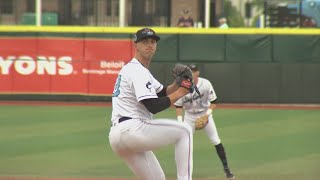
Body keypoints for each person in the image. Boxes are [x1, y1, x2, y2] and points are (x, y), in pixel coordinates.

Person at [109, 27, 194, 180]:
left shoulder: (138, 70)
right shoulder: (137, 71)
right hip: (132, 129)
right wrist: (181, 92)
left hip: (118, 136)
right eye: (145, 41)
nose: (150, 45)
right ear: (136, 45)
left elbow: (161, 92)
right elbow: (153, 106)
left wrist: (177, 84)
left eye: (153, 41)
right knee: (185, 131)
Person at [174, 64, 235, 180]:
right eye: (190, 72)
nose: (192, 74)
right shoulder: (182, 87)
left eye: (194, 71)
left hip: (204, 114)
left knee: (216, 140)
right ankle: (184, 175)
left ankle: (227, 170)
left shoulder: (206, 84)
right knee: (184, 144)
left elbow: (214, 102)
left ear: (198, 73)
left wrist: (207, 116)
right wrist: (180, 122)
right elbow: (178, 106)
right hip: (189, 117)